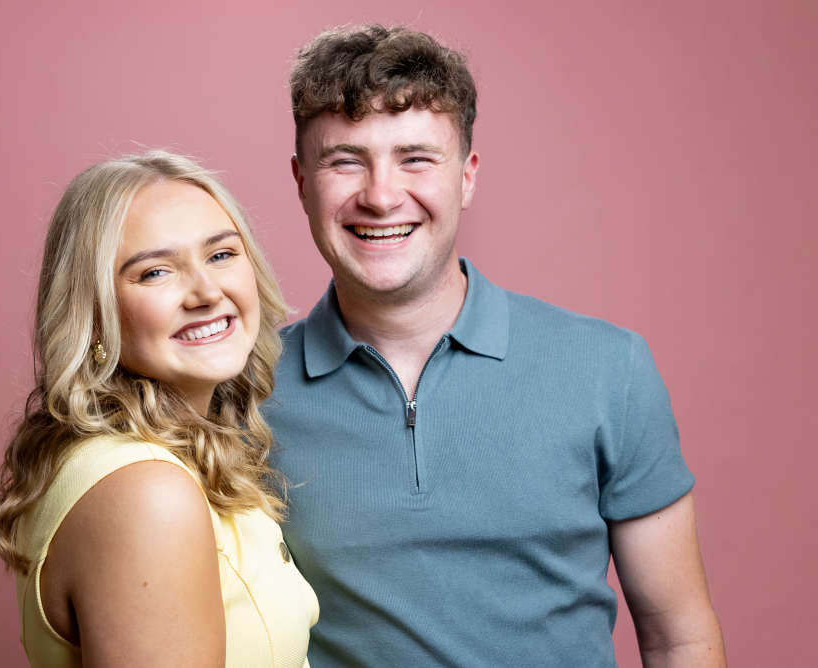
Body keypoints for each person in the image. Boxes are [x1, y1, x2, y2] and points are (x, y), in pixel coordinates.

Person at [265, 25, 725, 666]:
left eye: (416, 158)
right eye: (345, 161)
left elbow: (680, 637)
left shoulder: (607, 368)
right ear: (301, 182)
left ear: (467, 177)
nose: (381, 195)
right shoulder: (243, 393)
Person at [0, 151, 319, 667]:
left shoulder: (158, 462)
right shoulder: (146, 492)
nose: (207, 292)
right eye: (155, 272)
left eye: (221, 254)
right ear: (94, 315)